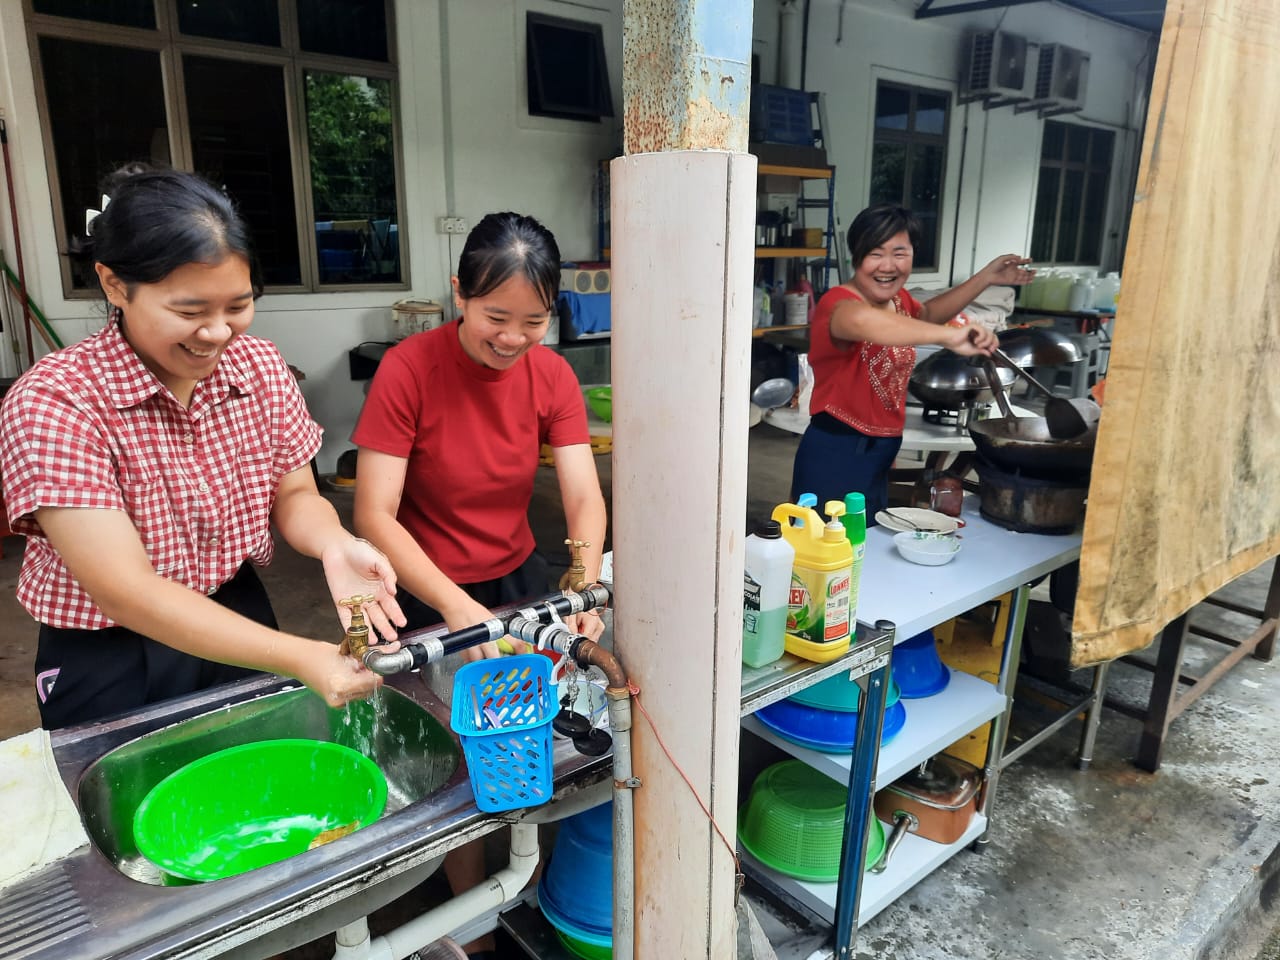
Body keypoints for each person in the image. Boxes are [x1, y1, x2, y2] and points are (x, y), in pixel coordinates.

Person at [0, 165, 405, 730]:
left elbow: (295, 495)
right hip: (112, 649)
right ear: (114, 285)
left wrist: (334, 544)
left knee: (255, 770)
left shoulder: (259, 367)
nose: (217, 333)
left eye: (237, 306)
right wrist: (300, 656)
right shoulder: (56, 400)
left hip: (235, 608)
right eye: (189, 312)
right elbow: (125, 591)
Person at [352, 211, 608, 960]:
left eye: (534, 320)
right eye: (496, 317)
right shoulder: (409, 369)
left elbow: (583, 495)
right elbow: (373, 514)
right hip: (424, 587)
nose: (513, 338)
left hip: (516, 580)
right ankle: (472, 916)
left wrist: (583, 586)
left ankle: (530, 882)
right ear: (459, 293)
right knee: (446, 751)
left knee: (531, 730)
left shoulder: (552, 375)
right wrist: (457, 609)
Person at [791, 202, 1034, 521]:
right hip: (837, 451)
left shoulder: (898, 300)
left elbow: (928, 314)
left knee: (866, 541)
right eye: (875, 253)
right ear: (856, 256)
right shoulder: (839, 304)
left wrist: (986, 277)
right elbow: (866, 323)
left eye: (899, 253)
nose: (887, 265)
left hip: (881, 450)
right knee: (824, 545)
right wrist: (949, 336)